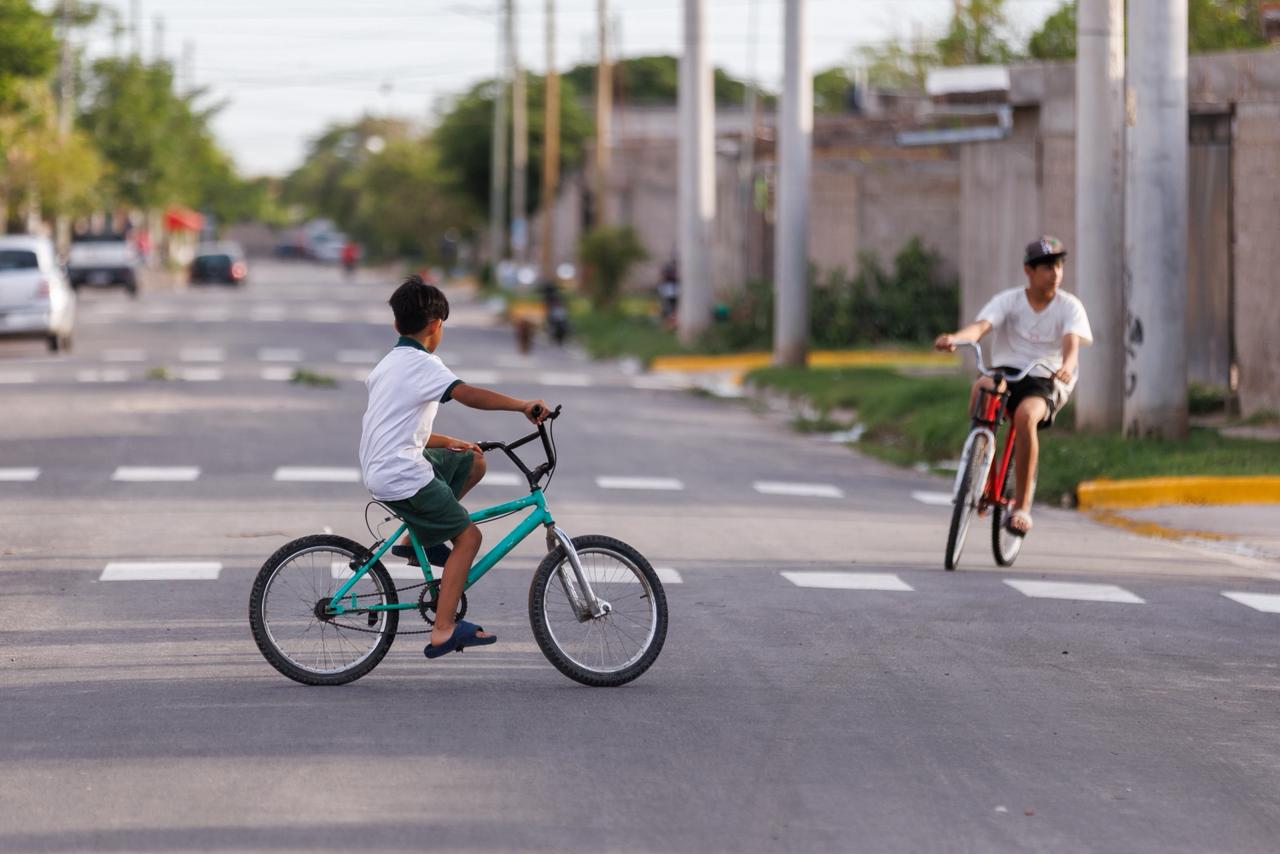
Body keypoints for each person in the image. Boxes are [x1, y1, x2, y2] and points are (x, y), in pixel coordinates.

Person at [359, 275, 549, 657]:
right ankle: (443, 630)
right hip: (401, 473)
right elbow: (468, 394)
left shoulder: (388, 365)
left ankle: (416, 541)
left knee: (472, 460)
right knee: (469, 538)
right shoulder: (423, 364)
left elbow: (400, 428)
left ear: (396, 324)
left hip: (386, 464)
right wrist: (521, 406)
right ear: (436, 325)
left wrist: (448, 442)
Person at [933, 236, 1093, 537]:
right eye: (1047, 267)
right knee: (982, 388)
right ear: (1028, 271)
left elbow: (1071, 347)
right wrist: (955, 338)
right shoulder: (1009, 301)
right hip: (1008, 371)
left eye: (1059, 266)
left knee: (1024, 417)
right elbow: (981, 327)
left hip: (1046, 378)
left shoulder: (1069, 306)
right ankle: (980, 466)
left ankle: (1021, 506)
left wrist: (1066, 367)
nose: (1055, 273)